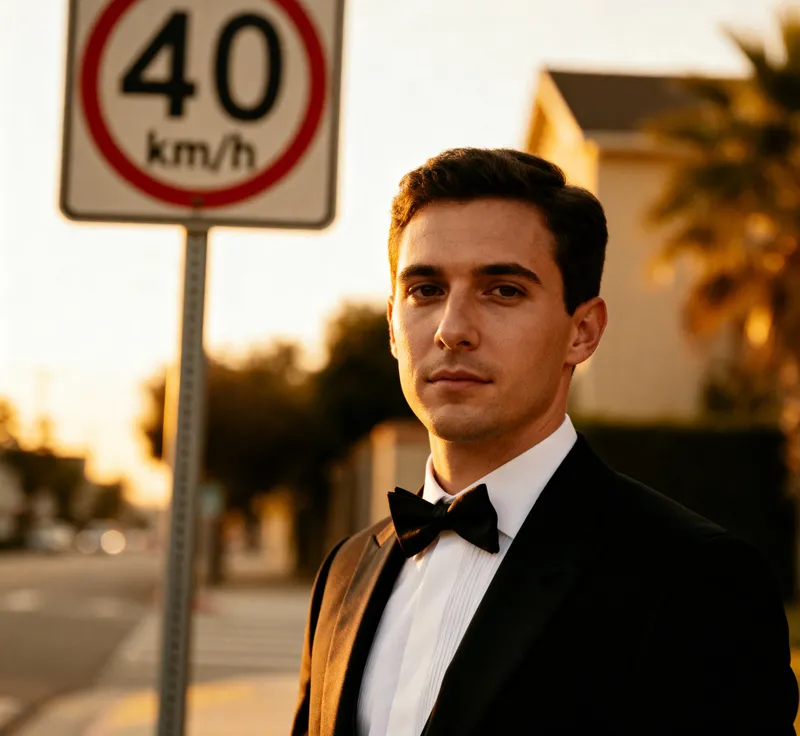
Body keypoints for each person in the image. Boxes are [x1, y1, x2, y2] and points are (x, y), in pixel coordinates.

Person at [291, 147, 798, 736]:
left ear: (582, 331)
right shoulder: (344, 572)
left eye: (503, 290)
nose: (452, 330)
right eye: (425, 290)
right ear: (392, 327)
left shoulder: (696, 579)